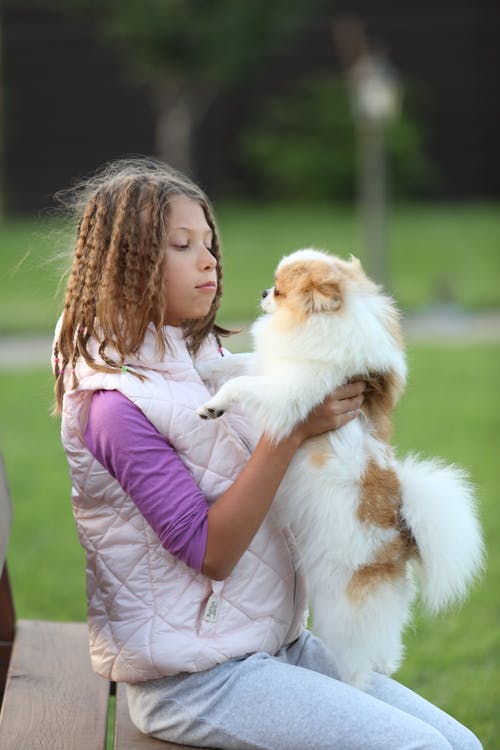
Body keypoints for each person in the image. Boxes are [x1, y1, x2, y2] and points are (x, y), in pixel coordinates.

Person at [52, 158, 482, 750]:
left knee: (461, 744)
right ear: (126, 269)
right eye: (182, 245)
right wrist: (290, 430)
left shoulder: (196, 369)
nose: (209, 259)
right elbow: (212, 552)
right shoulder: (112, 407)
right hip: (195, 680)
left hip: (273, 644)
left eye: (209, 241)